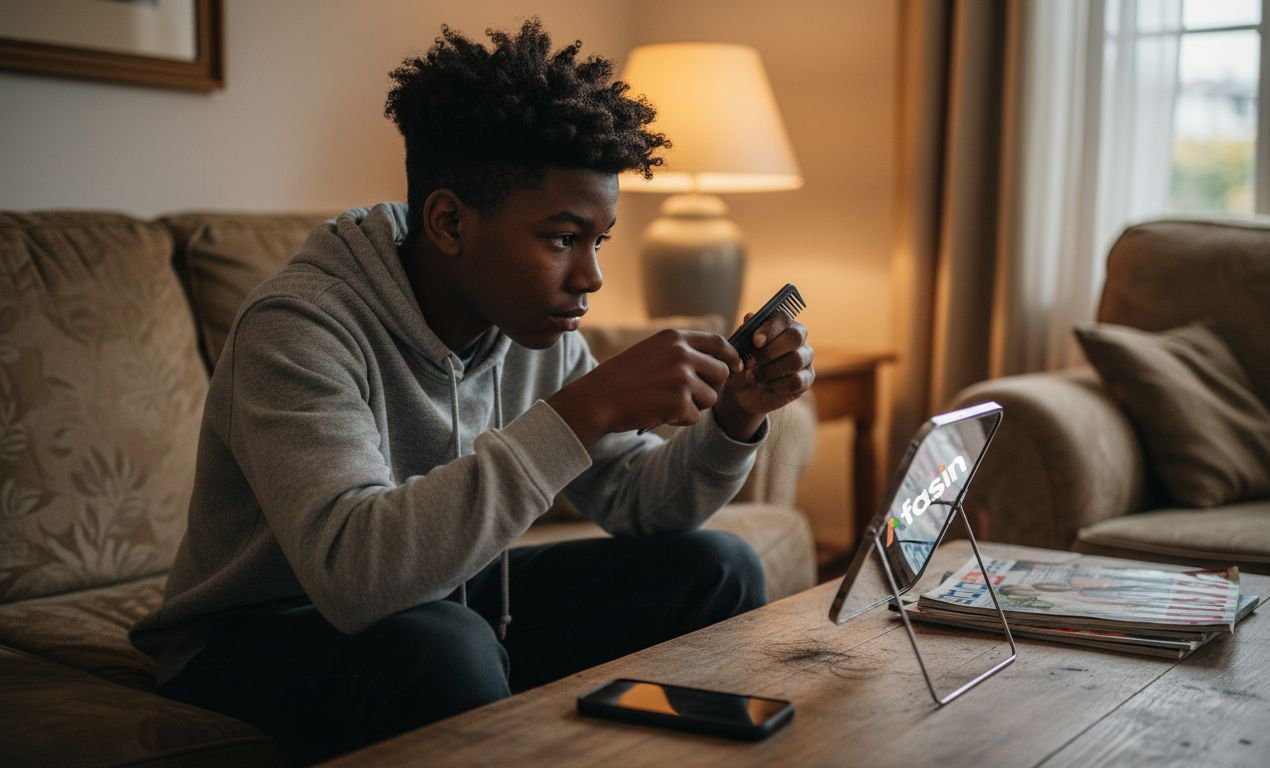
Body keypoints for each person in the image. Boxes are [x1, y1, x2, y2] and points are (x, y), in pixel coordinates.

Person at [128, 18, 814, 764]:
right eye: (561, 239)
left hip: (439, 595)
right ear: (449, 221)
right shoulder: (297, 328)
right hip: (250, 634)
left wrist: (736, 420)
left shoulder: (531, 333)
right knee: (444, 646)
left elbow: (642, 503)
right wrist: (587, 408)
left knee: (718, 569)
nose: (591, 277)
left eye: (599, 240)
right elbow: (354, 576)